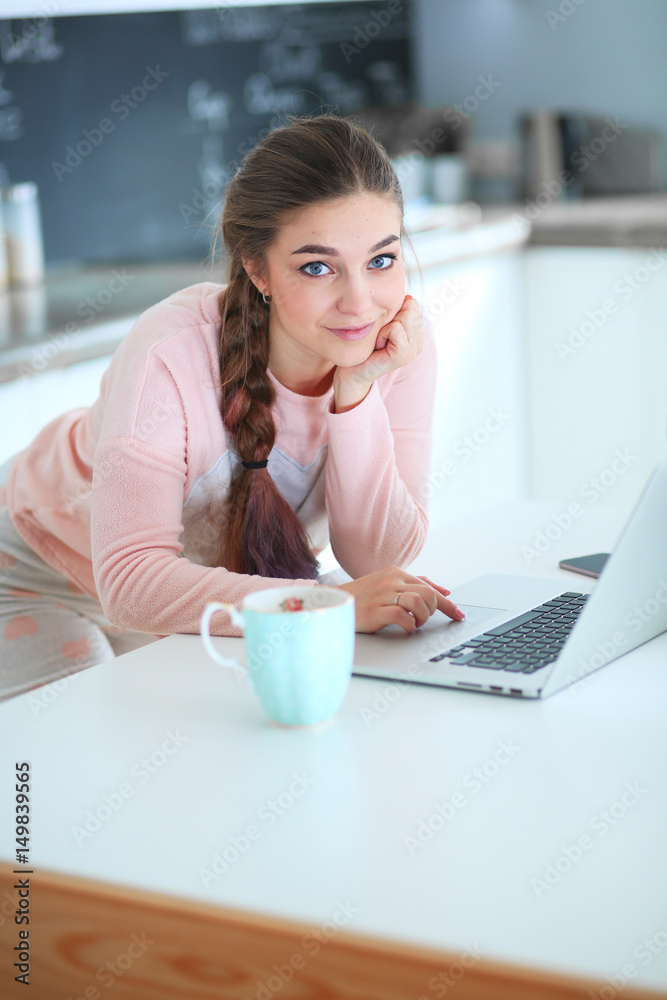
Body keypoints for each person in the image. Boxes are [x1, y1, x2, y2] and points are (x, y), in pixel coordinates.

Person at [0, 112, 464, 702]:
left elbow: (374, 559)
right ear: (256, 267)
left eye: (381, 260)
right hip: (30, 571)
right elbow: (130, 581)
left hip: (187, 595)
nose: (360, 303)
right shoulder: (171, 351)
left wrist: (359, 390)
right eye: (317, 267)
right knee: (74, 758)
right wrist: (319, 606)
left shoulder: (395, 350)